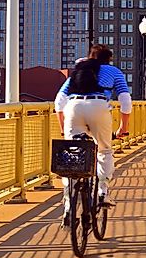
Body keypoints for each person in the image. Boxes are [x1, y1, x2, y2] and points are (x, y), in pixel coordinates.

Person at [54, 44, 132, 226]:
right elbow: (125, 101)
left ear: (90, 56)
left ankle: (67, 204)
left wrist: (63, 129)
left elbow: (59, 102)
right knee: (104, 150)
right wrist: (123, 127)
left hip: (73, 107)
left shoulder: (78, 70)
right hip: (98, 107)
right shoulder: (113, 71)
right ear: (108, 59)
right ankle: (103, 191)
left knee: (71, 156)